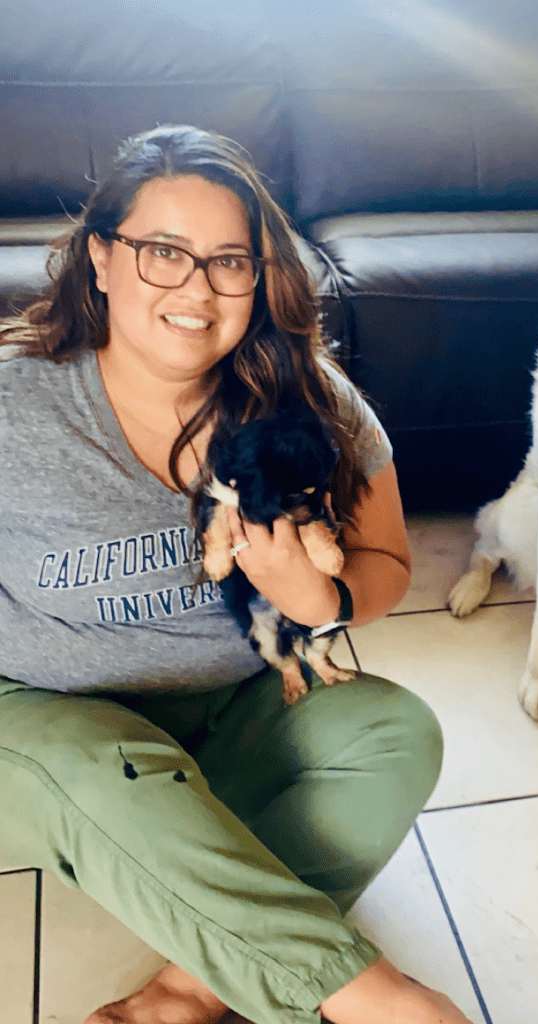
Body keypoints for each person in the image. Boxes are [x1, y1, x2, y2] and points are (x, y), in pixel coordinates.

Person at [0, 125, 475, 1024]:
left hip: (230, 719)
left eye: (229, 261)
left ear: (261, 279)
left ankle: (186, 991)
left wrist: (323, 601)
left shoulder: (315, 403)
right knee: (102, 759)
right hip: (40, 732)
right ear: (100, 259)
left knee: (394, 730)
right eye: (161, 253)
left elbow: (388, 563)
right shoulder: (12, 402)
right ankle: (375, 998)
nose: (196, 288)